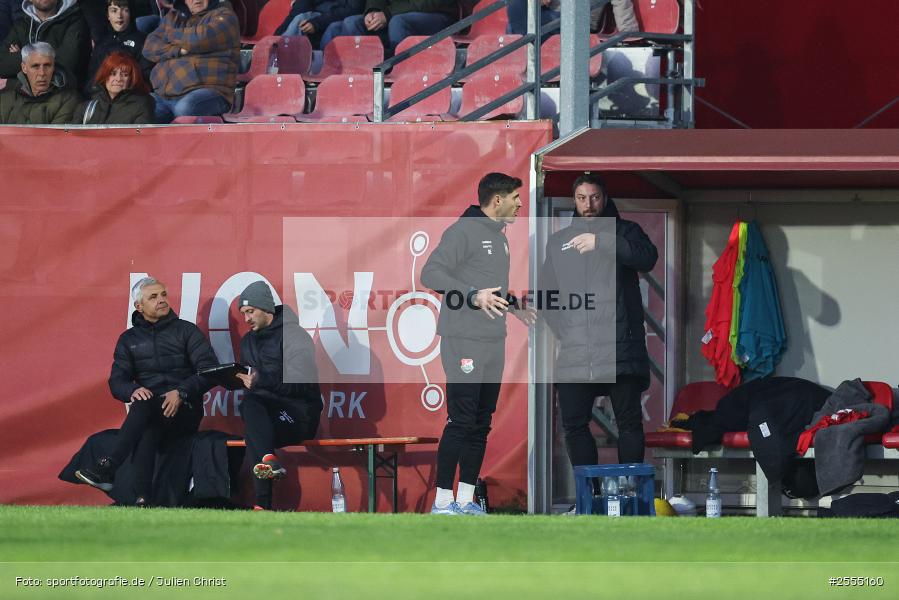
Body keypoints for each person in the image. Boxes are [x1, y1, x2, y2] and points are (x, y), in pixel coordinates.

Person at [421, 172, 532, 516]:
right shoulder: (463, 231)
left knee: (482, 422)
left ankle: (467, 501)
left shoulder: (500, 237)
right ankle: (442, 502)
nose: (520, 203)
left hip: (492, 341)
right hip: (463, 340)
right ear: (497, 200)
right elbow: (431, 273)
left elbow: (490, 290)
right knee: (462, 419)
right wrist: (471, 296)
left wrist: (516, 309)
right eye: (515, 197)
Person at [540, 173, 657, 471]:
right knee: (574, 425)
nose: (588, 205)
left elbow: (647, 258)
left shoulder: (626, 231)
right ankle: (587, 500)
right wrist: (564, 329)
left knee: (629, 424)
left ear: (604, 198)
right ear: (574, 201)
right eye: (581, 198)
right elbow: (546, 295)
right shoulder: (559, 241)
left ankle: (629, 500)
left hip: (621, 350)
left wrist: (602, 241)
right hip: (576, 351)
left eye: (594, 197)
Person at [75, 277, 219, 506]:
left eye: (163, 294)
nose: (162, 300)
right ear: (139, 307)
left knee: (144, 412)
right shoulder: (128, 340)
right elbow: (117, 381)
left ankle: (109, 467)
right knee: (145, 418)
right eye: (154, 297)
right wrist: (132, 390)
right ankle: (143, 499)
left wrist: (180, 392)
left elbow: (210, 371)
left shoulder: (186, 331)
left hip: (184, 410)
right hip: (150, 412)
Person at [235, 281, 323, 511]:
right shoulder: (248, 341)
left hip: (298, 415)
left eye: (250, 311)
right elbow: (252, 382)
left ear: (266, 308)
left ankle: (262, 502)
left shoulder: (295, 336)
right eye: (243, 313)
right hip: (266, 415)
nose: (246, 319)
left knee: (254, 428)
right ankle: (267, 464)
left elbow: (301, 384)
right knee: (250, 407)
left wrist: (261, 379)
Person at [142, 0, 239, 123]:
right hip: (165, 96)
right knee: (140, 107)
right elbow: (149, 47)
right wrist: (178, 50)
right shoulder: (173, 16)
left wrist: (168, 35)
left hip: (210, 92)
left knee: (184, 108)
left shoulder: (225, 16)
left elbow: (200, 38)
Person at [0, 0, 91, 88]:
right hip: (22, 96)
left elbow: (66, 65)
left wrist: (24, 56)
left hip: (61, 96)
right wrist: (51, 55)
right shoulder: (23, 23)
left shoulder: (75, 21)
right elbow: (2, 63)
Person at [320, 0, 456, 53]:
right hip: (393, 14)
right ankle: (359, 68)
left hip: (436, 15)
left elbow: (425, 4)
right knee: (351, 22)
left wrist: (387, 14)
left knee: (398, 22)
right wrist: (372, 11)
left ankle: (397, 67)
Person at [0, 42, 80, 124]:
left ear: (53, 67)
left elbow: (55, 136)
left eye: (47, 65)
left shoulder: (68, 100)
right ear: (24, 68)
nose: (42, 73)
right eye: (35, 66)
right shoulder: (7, 98)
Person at [84, 0, 153, 93]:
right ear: (108, 15)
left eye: (125, 10)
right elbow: (91, 79)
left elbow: (145, 78)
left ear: (131, 14)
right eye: (114, 11)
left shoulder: (142, 41)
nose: (119, 16)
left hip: (130, 97)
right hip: (101, 97)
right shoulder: (102, 43)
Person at [75, 51, 155, 124]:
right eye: (113, 74)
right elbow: (71, 137)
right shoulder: (88, 106)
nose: (118, 79)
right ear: (104, 76)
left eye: (125, 75)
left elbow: (140, 138)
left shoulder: (142, 105)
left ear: (132, 79)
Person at [506, 0, 639, 36]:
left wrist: (629, 32)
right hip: (553, 15)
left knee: (517, 19)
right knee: (515, 21)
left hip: (579, 21)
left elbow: (622, 4)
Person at [274, 0, 363, 50]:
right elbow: (300, 7)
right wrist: (277, 36)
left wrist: (317, 23)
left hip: (340, 18)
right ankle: (276, 55)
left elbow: (352, 9)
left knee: (334, 28)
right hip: (318, 16)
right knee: (300, 18)